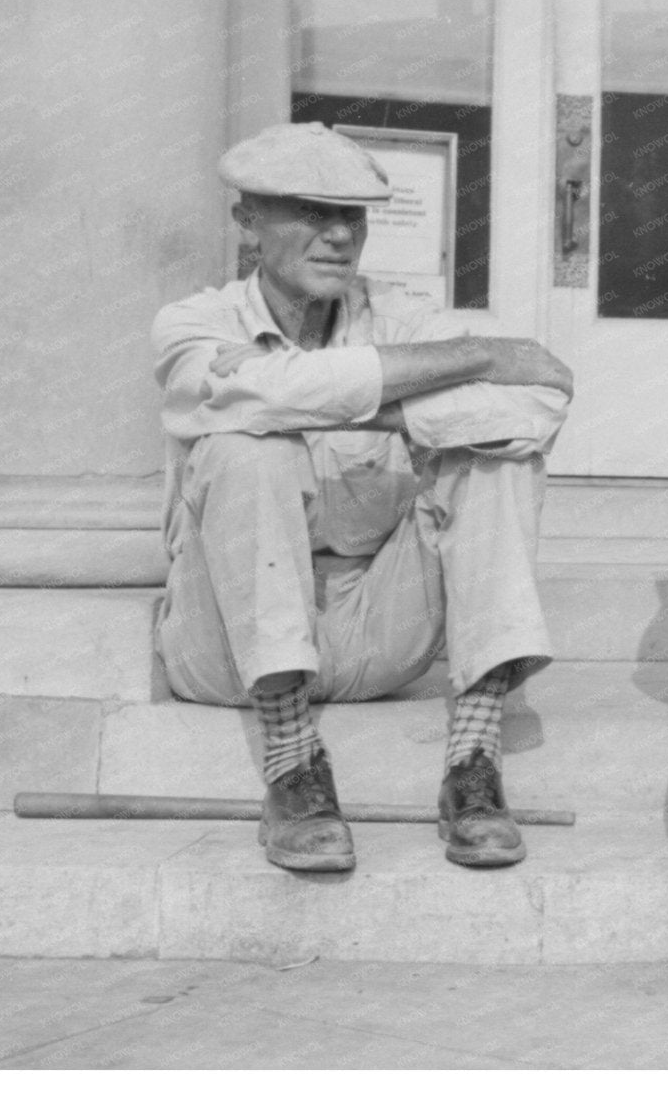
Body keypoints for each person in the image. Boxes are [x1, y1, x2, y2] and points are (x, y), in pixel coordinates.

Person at [152, 123, 573, 873]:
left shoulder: (405, 322)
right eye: (310, 212)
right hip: (227, 645)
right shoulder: (196, 321)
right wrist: (474, 356)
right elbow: (238, 395)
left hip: (374, 629)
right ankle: (293, 766)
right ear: (246, 221)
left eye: (353, 216)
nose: (338, 236)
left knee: (495, 457)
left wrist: (356, 401)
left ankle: (473, 762)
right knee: (245, 446)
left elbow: (537, 401)